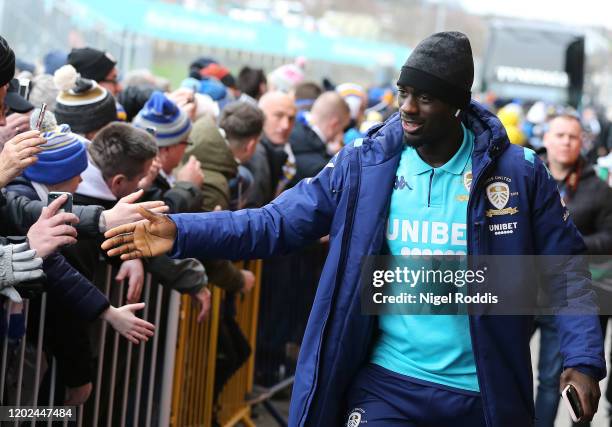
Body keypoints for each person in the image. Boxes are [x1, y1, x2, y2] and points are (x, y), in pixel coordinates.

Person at [101, 32, 604, 426]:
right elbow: (275, 222)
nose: (406, 108)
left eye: (424, 98)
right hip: (387, 384)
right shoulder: (366, 164)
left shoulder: (518, 173)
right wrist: (180, 230)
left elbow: (566, 270)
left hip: (483, 392)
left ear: (456, 105)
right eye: (404, 93)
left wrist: (582, 359)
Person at [534, 113, 612, 427]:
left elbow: (609, 238)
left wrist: (567, 243)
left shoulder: (598, 187)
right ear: (546, 139)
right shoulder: (526, 177)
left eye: (573, 136)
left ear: (582, 142)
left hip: (566, 293)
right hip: (520, 289)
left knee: (552, 378)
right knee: (501, 369)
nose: (566, 141)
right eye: (560, 135)